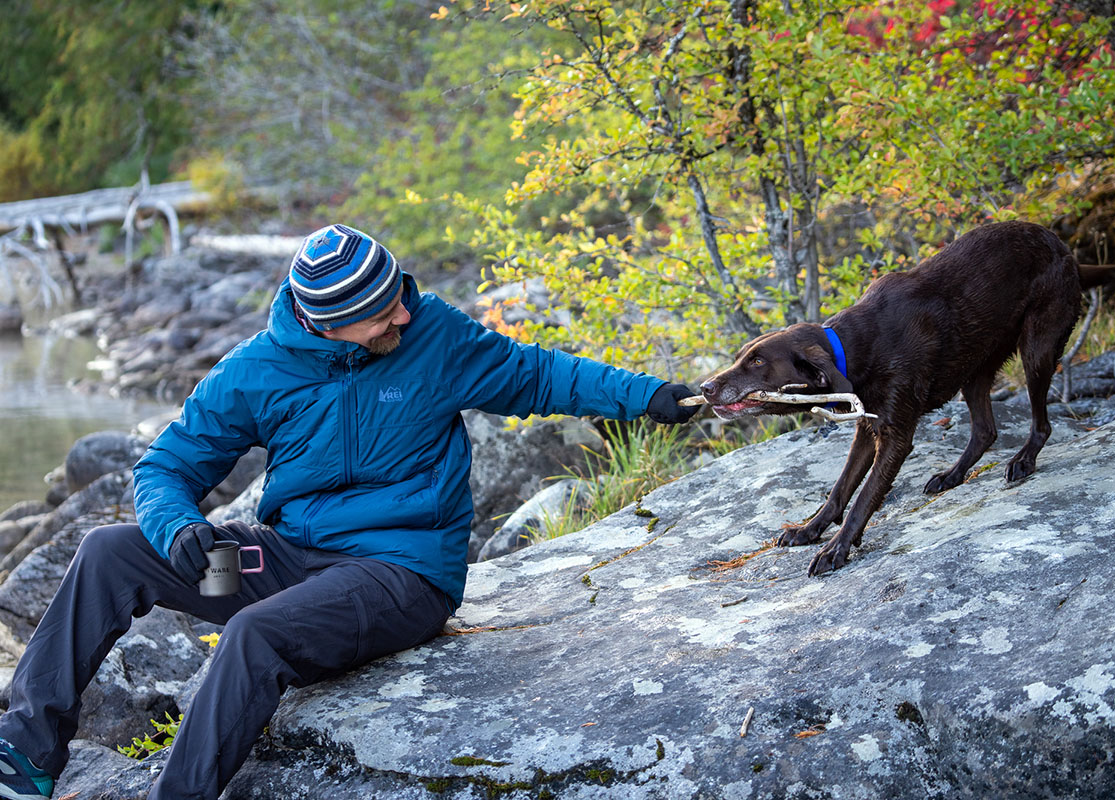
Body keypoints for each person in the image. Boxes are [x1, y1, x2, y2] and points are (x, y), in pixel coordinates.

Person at [0, 224, 698, 800]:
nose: (403, 314)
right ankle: (27, 756)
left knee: (253, 635)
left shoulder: (434, 337)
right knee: (109, 553)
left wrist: (650, 396)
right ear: (328, 324)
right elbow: (166, 467)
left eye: (399, 295)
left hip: (400, 575)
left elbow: (541, 374)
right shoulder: (258, 369)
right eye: (382, 311)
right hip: (292, 564)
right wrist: (177, 525)